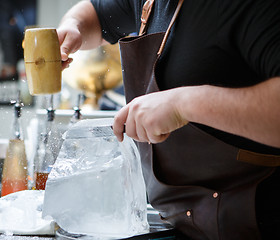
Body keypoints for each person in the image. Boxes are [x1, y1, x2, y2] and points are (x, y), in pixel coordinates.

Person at [57, 0, 280, 239]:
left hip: (257, 224)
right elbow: (96, 14)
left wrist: (182, 105)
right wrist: (73, 27)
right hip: (183, 224)